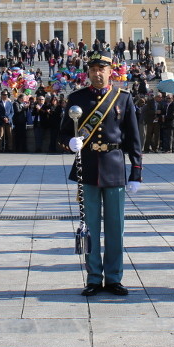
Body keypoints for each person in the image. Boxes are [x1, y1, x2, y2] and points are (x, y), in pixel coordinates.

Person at [61, 50, 142, 296]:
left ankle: (114, 277)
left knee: (117, 228)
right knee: (90, 227)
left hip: (115, 166)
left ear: (110, 72)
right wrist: (70, 143)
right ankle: (94, 278)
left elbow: (134, 138)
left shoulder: (123, 98)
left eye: (102, 69)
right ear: (88, 72)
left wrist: (136, 172)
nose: (98, 73)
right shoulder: (77, 98)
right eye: (93, 69)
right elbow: (62, 134)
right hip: (88, 168)